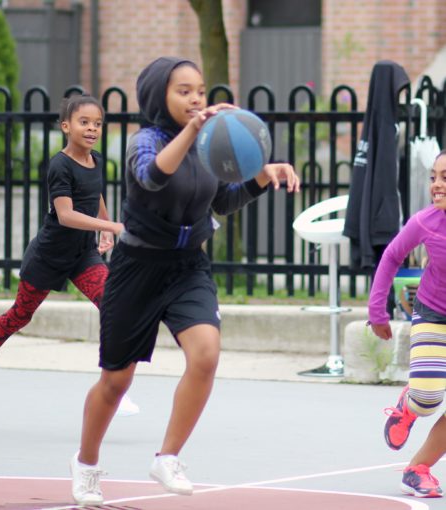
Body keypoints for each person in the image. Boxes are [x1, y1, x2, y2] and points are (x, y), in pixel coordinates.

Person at [69, 56, 300, 506]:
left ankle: (168, 457)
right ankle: (86, 464)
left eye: (201, 90)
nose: (197, 98)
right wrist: (194, 131)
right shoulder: (144, 142)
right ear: (160, 96)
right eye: (184, 90)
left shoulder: (211, 145)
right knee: (116, 382)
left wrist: (261, 174)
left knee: (206, 354)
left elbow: (223, 203)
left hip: (188, 266)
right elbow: (153, 177)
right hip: (138, 269)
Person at [0, 94, 139, 417]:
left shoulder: (94, 161)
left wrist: (105, 228)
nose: (92, 129)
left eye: (97, 123)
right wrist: (113, 224)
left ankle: (112, 387)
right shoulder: (59, 165)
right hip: (48, 256)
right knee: (20, 316)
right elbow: (66, 214)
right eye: (84, 122)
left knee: (116, 306)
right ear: (66, 126)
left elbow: (92, 194)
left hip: (83, 256)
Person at [368, 149, 446, 498]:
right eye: (434, 177)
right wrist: (377, 311)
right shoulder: (426, 222)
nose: (436, 186)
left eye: (445, 178)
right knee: (429, 398)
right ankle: (409, 407)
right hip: (434, 313)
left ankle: (418, 469)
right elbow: (392, 256)